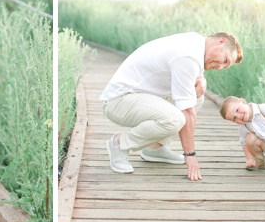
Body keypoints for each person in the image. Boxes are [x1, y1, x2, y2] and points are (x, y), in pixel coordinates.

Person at [101, 31, 243, 181]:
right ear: (220, 42)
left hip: (140, 96)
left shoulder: (195, 42)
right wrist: (190, 156)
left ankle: (154, 148)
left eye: (225, 66)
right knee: (176, 119)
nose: (220, 67)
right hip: (118, 101)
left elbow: (193, 71)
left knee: (197, 97)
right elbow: (187, 111)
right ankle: (119, 144)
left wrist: (202, 79)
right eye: (225, 60)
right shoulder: (188, 55)